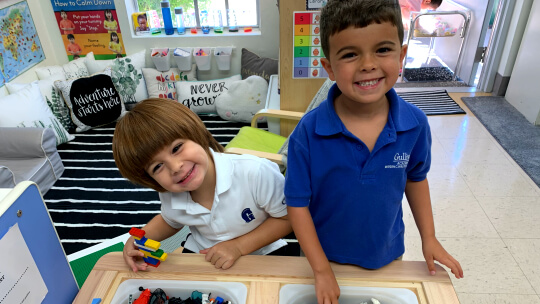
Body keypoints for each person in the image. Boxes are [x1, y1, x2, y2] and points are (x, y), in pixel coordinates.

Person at [284, 0, 463, 302]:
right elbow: (297, 205)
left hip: (387, 254)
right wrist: (320, 269)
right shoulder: (308, 132)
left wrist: (429, 238)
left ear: (402, 55)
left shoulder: (415, 124)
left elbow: (416, 180)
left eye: (382, 50)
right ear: (328, 67)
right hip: (321, 259)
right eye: (350, 54)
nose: (368, 64)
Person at [112, 98, 292, 272]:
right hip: (204, 254)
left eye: (176, 148)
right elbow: (170, 221)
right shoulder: (170, 192)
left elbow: (288, 219)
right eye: (158, 167)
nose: (175, 168)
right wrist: (137, 239)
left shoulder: (255, 172)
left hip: (262, 250)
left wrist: (238, 247)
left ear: (196, 133)